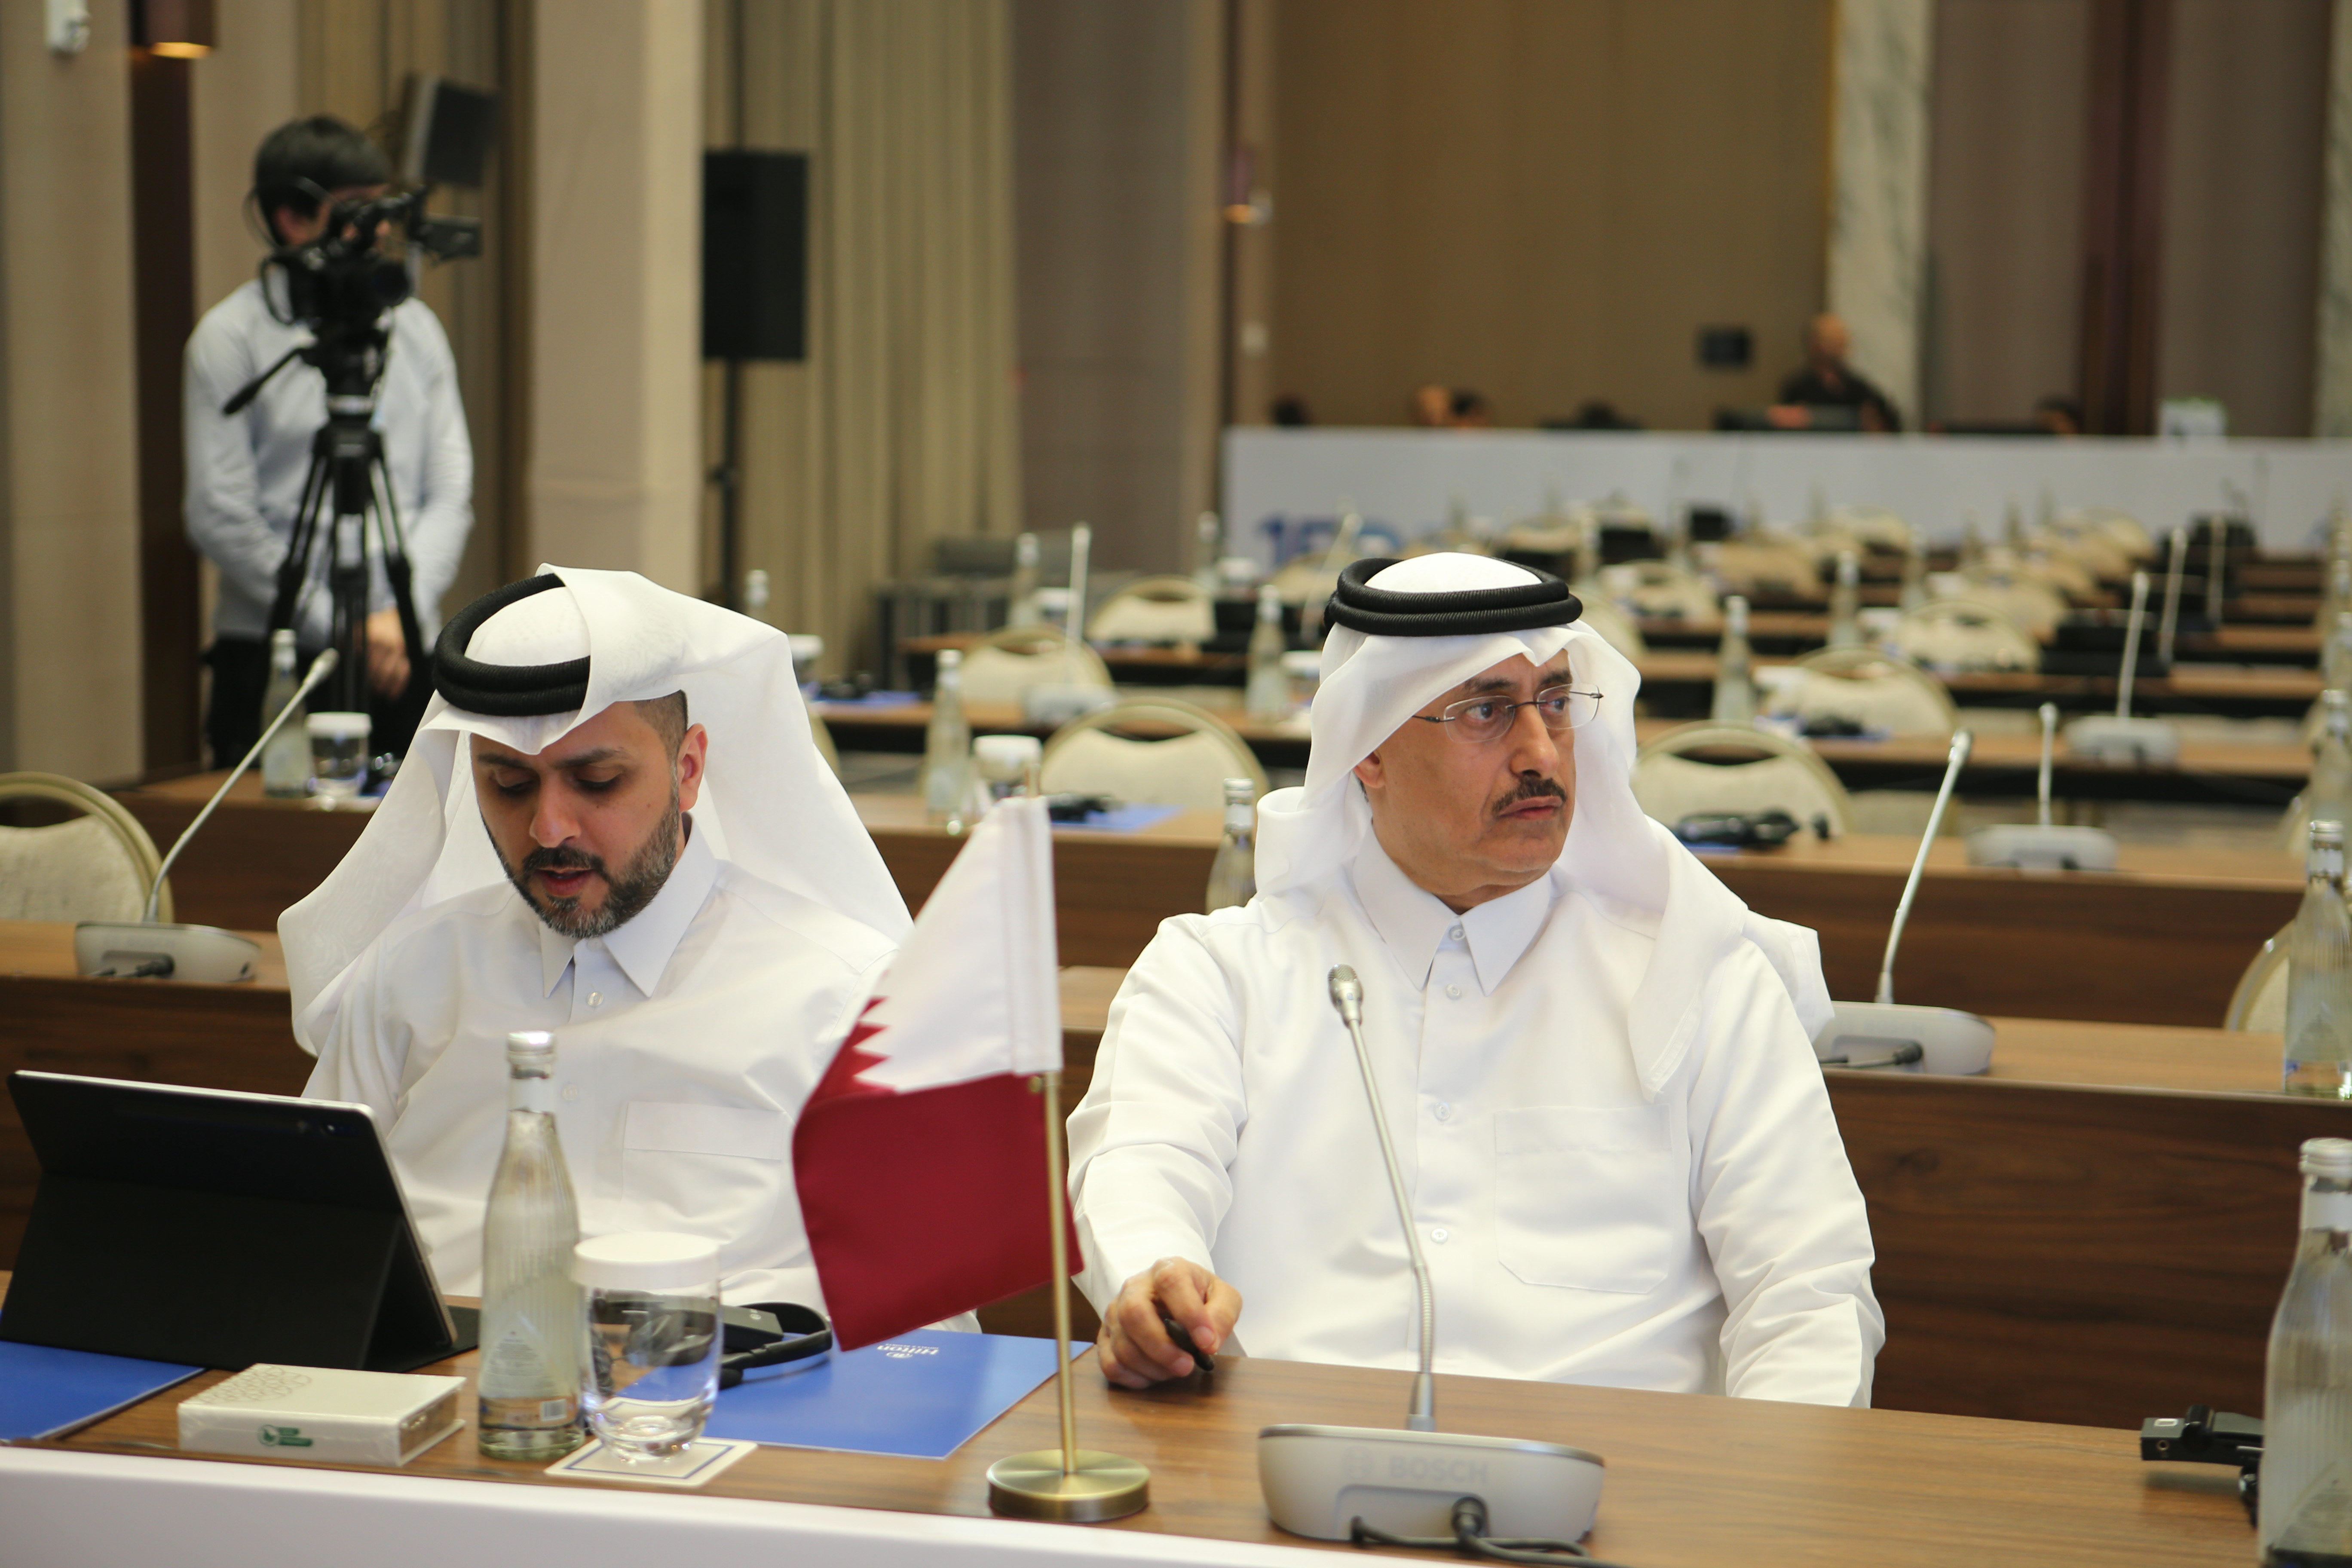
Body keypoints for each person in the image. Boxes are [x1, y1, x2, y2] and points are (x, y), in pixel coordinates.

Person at [1067, 553, 1880, 1404]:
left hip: (1625, 1477)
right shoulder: (1219, 971)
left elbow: (1809, 1295)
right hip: (1280, 1460)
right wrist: (1156, 1280)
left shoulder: (1700, 977)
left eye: (1555, 702)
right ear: (1368, 751)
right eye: (1485, 711)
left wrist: (1760, 1484)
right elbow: (1139, 1167)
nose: (1540, 752)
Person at [288, 568, 914, 1306]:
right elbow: (311, 1246)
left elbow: (924, 1325)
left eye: (596, 781)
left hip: (718, 1378)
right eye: (509, 784)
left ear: (687, 770)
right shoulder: (409, 973)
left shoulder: (842, 995)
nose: (548, 828)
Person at [185, 114, 474, 767]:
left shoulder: (414, 328)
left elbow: (449, 489)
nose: (379, 231)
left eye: (382, 209)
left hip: (403, 647)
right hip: (277, 649)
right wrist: (339, 626)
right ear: (291, 218)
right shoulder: (231, 337)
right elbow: (219, 512)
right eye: (358, 211)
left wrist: (401, 614)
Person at [1773, 313, 1901, 433]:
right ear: (1813, 343)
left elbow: (1889, 423)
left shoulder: (1859, 389)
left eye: (1840, 340)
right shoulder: (1798, 387)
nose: (1837, 346)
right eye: (1830, 339)